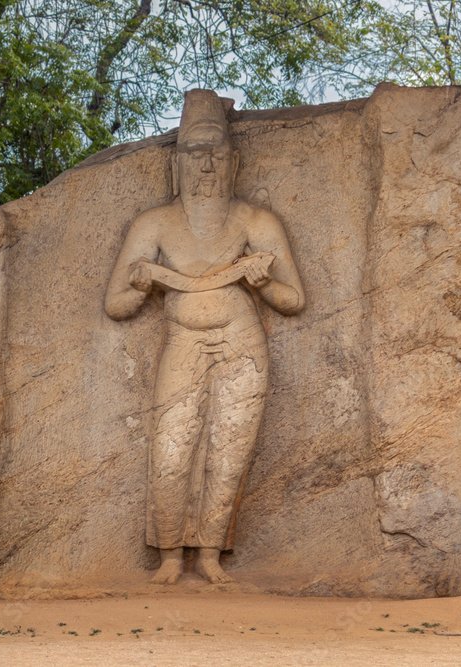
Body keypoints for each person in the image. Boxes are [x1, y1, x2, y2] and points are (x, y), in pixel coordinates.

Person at [104, 89, 305, 584]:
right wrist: (143, 284)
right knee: (172, 447)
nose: (207, 166)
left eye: (216, 153)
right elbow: (117, 306)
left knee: (230, 449)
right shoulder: (155, 224)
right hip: (183, 343)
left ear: (233, 162)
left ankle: (212, 554)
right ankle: (171, 555)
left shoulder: (256, 221)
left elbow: (294, 299)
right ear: (176, 164)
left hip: (241, 346)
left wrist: (263, 284)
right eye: (195, 154)